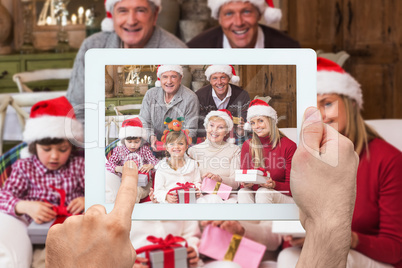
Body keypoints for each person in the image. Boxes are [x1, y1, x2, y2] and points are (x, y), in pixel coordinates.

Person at [45, 106, 359, 268]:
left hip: (217, 232)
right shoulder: (159, 187)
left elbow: (268, 235)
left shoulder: (228, 159)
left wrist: (230, 224)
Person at [277, 58, 402, 268]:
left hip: (369, 258)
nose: (320, 116)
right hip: (316, 251)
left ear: (351, 104)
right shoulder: (304, 158)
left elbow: (396, 248)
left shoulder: (388, 160)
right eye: (311, 109)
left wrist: (349, 238)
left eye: (327, 103)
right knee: (289, 256)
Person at [66, 0, 187, 122]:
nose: (131, 21)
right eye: (122, 11)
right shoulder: (92, 46)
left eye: (140, 10)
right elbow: (77, 111)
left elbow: (180, 113)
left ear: (154, 15)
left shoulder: (178, 51)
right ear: (112, 15)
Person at [0, 96, 84, 267]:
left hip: (76, 233)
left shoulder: (78, 164)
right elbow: (4, 196)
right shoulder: (25, 167)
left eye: (62, 149)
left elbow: (99, 191)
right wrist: (24, 206)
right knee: (43, 261)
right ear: (34, 146)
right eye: (46, 149)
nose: (54, 156)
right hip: (39, 237)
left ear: (71, 147)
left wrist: (86, 200)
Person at [237, 99, 296, 204]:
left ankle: (263, 221)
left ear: (271, 120)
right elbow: (243, 181)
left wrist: (274, 184)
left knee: (263, 192)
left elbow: (293, 188)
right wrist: (247, 183)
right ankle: (250, 221)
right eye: (253, 123)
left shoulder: (289, 146)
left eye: (260, 120)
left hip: (283, 196)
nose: (256, 126)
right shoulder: (247, 145)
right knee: (243, 192)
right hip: (259, 194)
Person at [187, 0, 300, 49]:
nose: (238, 22)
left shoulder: (289, 47)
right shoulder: (196, 48)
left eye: (246, 12)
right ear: (219, 19)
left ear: (259, 15)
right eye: (229, 13)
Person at [139, 65, 200, 150]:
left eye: (173, 77)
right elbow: (144, 121)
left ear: (180, 78)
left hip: (180, 148)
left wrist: (175, 146)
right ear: (160, 79)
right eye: (165, 77)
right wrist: (151, 137)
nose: (169, 81)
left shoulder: (190, 97)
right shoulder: (150, 94)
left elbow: (191, 129)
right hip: (154, 146)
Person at [188, 109, 240, 203]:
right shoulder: (193, 151)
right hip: (200, 197)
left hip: (227, 197)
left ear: (226, 132)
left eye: (220, 127)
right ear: (206, 127)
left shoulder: (234, 150)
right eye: (211, 125)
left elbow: (236, 183)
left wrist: (219, 179)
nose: (214, 130)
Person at [105, 117, 159, 203]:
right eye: (129, 142)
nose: (133, 145)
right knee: (124, 191)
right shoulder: (119, 150)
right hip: (125, 182)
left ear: (141, 141)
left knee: (134, 192)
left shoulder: (144, 149)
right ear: (123, 140)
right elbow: (108, 164)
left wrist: (151, 165)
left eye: (136, 142)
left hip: (143, 185)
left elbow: (156, 162)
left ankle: (131, 213)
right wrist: (118, 168)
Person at [196, 65, 250, 142]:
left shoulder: (242, 95)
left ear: (229, 78)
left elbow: (246, 123)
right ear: (210, 80)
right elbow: (199, 124)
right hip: (209, 138)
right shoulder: (200, 96)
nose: (219, 82)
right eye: (215, 78)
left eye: (223, 77)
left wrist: (240, 129)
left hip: (234, 138)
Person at [153, 129, 202, 203]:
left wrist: (197, 190)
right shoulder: (162, 168)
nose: (176, 147)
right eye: (172, 144)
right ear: (167, 147)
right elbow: (158, 191)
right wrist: (166, 196)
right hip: (171, 204)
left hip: (189, 200)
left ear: (186, 147)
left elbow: (197, 182)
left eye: (181, 143)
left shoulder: (193, 165)